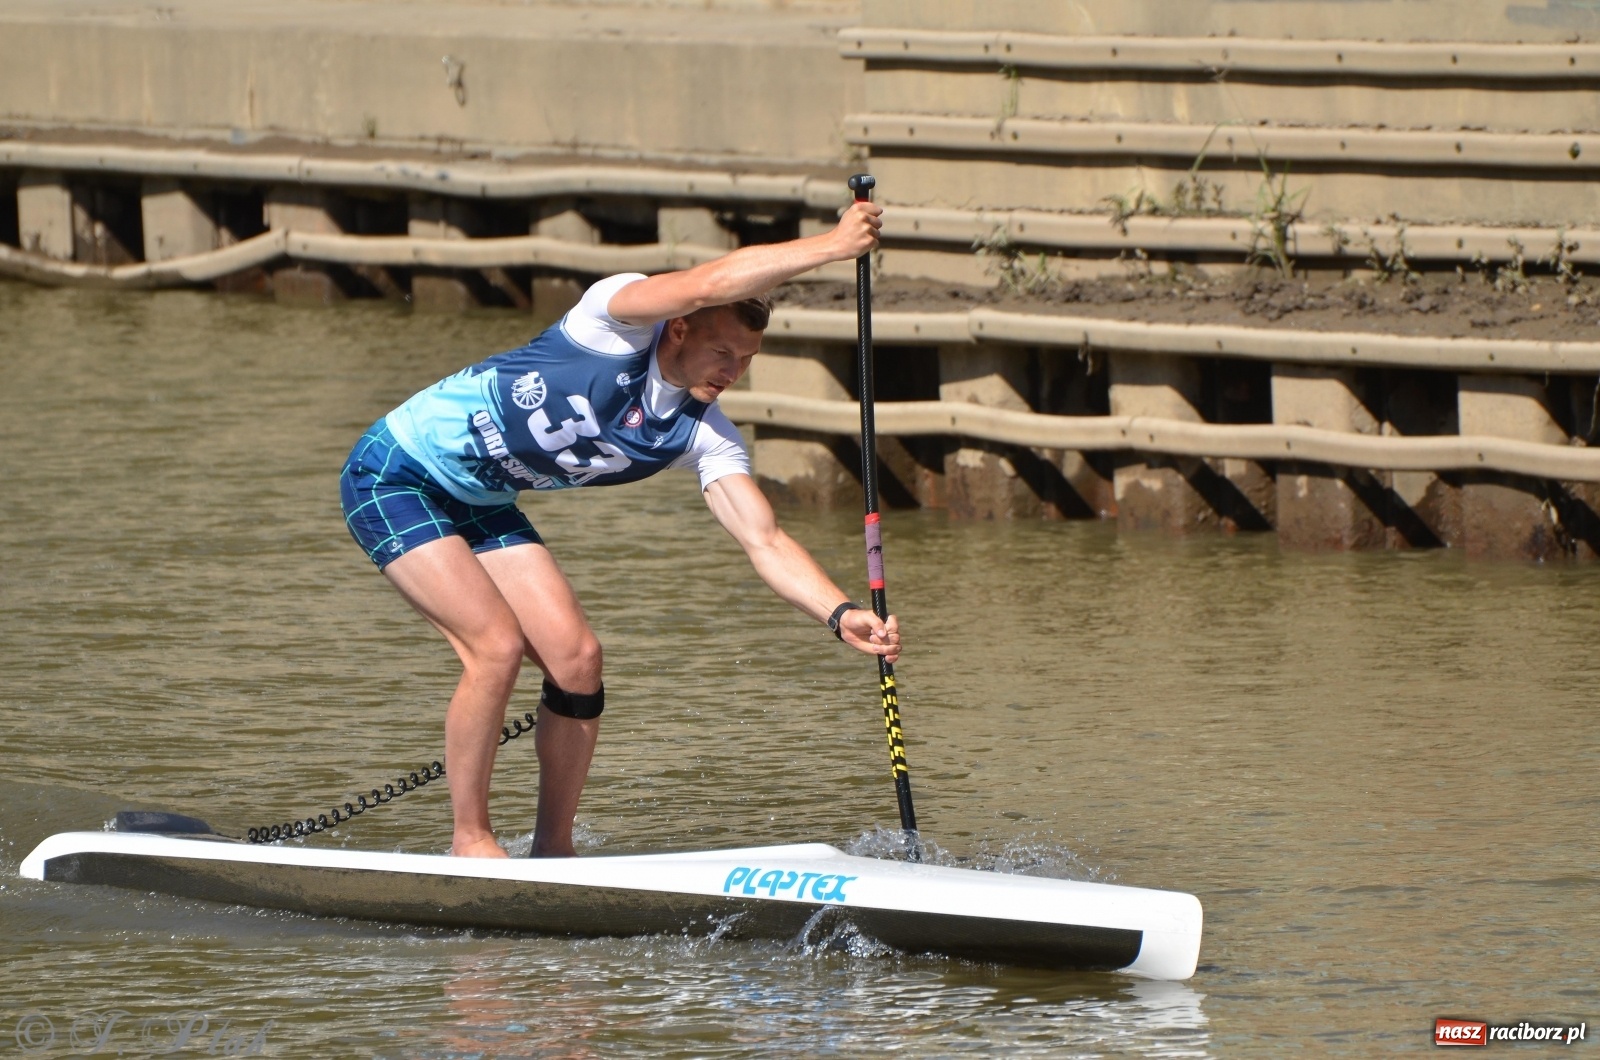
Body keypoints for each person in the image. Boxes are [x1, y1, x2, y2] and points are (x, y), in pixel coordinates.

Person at [339, 199, 898, 858]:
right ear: (678, 330)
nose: (732, 371)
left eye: (746, 358)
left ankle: (554, 851)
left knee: (578, 661)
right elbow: (713, 281)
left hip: (482, 499)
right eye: (722, 349)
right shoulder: (610, 321)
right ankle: (471, 842)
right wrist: (833, 247)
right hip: (396, 473)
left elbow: (764, 539)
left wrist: (838, 612)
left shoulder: (703, 434)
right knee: (495, 646)